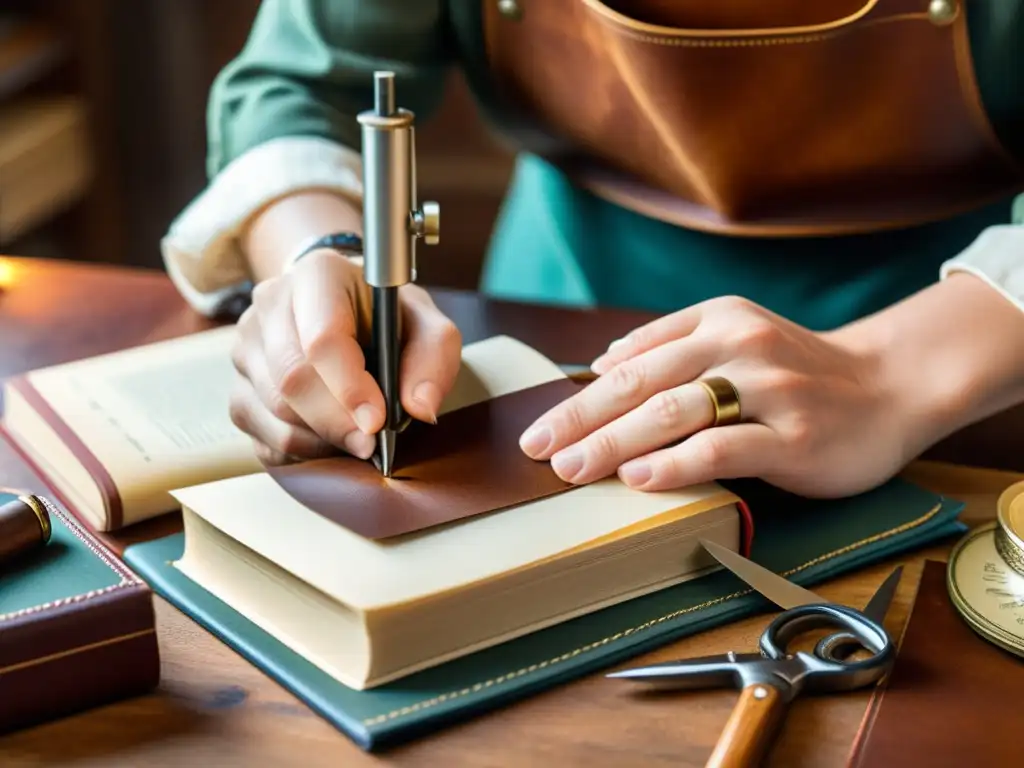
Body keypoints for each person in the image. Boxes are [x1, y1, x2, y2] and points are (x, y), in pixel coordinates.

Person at [161, 0, 1024, 499]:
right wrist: (320, 256)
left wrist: (885, 374)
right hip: (553, 338)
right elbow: (299, 81)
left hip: (971, 386)